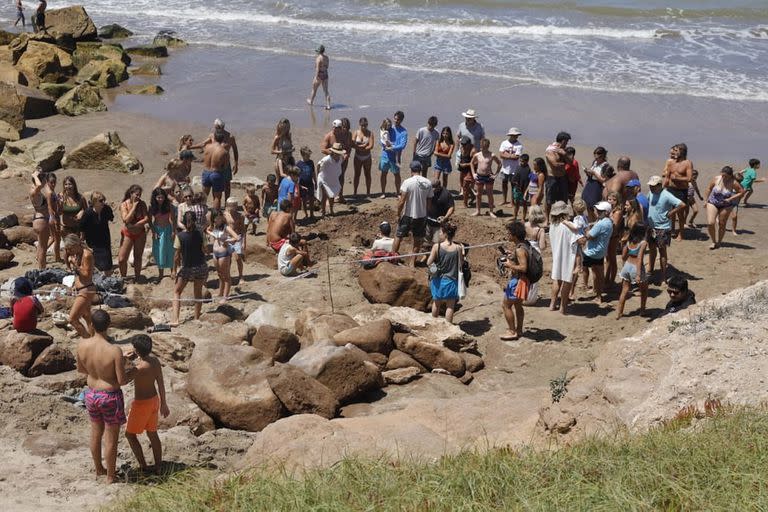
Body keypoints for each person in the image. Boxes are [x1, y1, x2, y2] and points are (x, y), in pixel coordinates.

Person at [76, 310, 132, 484]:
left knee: (95, 433)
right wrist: (133, 369)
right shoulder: (115, 350)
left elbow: (81, 370)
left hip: (91, 394)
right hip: (109, 396)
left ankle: (99, 469)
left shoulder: (82, 345)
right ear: (109, 325)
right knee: (111, 438)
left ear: (91, 325)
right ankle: (110, 476)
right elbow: (122, 381)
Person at [124, 334, 169, 474]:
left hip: (141, 404)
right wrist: (164, 403)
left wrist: (124, 359)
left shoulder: (139, 367)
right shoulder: (155, 361)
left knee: (130, 435)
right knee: (152, 433)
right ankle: (159, 466)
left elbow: (124, 380)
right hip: (154, 400)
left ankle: (143, 466)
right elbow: (160, 383)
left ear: (136, 350)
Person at [393, 161, 433, 266]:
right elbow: (429, 202)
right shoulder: (428, 183)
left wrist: (398, 214)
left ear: (411, 170)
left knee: (399, 235)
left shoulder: (407, 182)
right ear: (420, 170)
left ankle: (392, 258)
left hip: (408, 214)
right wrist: (426, 214)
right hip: (421, 215)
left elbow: (401, 201)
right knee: (417, 239)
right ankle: (412, 263)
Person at [646, 175, 686, 282]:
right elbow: (647, 204)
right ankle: (651, 271)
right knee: (652, 250)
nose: (651, 188)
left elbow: (682, 204)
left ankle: (663, 276)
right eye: (650, 186)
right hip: (651, 227)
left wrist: (671, 213)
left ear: (660, 185)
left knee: (662, 252)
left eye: (653, 186)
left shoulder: (667, 195)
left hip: (662, 228)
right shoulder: (650, 193)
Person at [172, 212, 208, 326]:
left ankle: (175, 319)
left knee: (177, 292)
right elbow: (205, 250)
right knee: (198, 293)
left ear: (183, 221)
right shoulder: (201, 234)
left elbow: (176, 256)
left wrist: (174, 270)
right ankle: (196, 318)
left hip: (187, 267)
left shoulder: (180, 236)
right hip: (200, 266)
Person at [191, 119, 239, 202]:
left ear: (222, 127)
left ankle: (227, 202)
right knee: (213, 188)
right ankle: (206, 204)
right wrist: (190, 147)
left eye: (217, 127)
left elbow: (235, 150)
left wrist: (236, 163)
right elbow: (203, 144)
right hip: (214, 166)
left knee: (227, 184)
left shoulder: (230, 137)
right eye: (215, 127)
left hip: (226, 164)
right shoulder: (212, 135)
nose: (215, 128)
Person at [548, 202, 581, 314]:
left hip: (557, 256)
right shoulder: (568, 227)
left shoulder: (552, 226)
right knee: (567, 282)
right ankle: (563, 307)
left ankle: (552, 304)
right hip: (568, 258)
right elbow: (577, 243)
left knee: (556, 280)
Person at [427, 222, 463, 323]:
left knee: (436, 304)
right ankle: (449, 327)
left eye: (440, 232)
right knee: (450, 306)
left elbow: (428, 262)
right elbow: (461, 263)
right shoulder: (458, 248)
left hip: (438, 280)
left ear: (445, 233)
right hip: (452, 281)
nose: (439, 234)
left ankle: (433, 324)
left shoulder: (436, 246)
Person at [578, 201, 613, 303]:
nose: (596, 212)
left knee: (587, 270)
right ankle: (597, 291)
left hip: (592, 252)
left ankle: (598, 296)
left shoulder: (601, 224)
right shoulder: (608, 222)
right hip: (600, 252)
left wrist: (585, 229)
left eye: (599, 211)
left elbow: (589, 236)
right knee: (598, 272)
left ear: (606, 212)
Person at [500, 221, 529, 341]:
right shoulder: (524, 245)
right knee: (518, 305)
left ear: (515, 235)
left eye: (509, 233)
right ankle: (519, 330)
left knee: (506, 305)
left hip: (517, 281)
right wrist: (512, 255)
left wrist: (509, 265)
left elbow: (523, 267)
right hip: (523, 281)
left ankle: (512, 331)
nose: (507, 234)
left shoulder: (520, 250)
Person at [63, 234, 95, 338]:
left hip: (86, 290)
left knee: (72, 319)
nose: (68, 251)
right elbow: (78, 274)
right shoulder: (77, 253)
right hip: (81, 289)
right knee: (87, 316)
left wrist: (75, 264)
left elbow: (86, 275)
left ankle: (87, 338)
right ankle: (93, 337)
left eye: (69, 248)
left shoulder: (87, 255)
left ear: (76, 245)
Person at [704, 166, 745, 249]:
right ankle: (713, 241)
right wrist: (705, 200)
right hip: (713, 202)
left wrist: (730, 198)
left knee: (722, 224)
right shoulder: (716, 178)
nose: (723, 177)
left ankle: (719, 242)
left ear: (730, 175)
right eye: (722, 175)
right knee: (710, 223)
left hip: (726, 205)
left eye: (725, 176)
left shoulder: (734, 182)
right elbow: (709, 188)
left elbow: (742, 192)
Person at [616, 223, 649, 319]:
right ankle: (642, 311)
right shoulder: (643, 243)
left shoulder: (629, 241)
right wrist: (638, 274)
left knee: (624, 290)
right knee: (644, 290)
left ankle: (619, 313)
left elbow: (623, 256)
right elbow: (639, 259)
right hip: (636, 267)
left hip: (627, 266)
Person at [662, 143, 693, 241]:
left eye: (676, 151)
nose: (673, 152)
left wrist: (678, 178)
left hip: (681, 191)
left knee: (680, 213)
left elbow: (689, 178)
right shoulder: (671, 163)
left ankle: (681, 234)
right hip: (670, 189)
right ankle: (672, 230)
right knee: (670, 211)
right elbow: (667, 177)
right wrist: (662, 189)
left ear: (682, 152)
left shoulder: (687, 163)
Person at [118, 185, 149, 281]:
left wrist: (135, 225)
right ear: (131, 194)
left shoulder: (142, 204)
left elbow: (146, 218)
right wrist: (134, 206)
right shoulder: (124, 204)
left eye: (140, 195)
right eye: (137, 195)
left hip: (140, 233)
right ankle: (123, 277)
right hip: (128, 233)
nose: (138, 197)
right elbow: (126, 219)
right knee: (122, 259)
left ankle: (138, 276)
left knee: (138, 256)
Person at [80, 191, 114, 274]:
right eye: (101, 201)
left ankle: (107, 281)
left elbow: (111, 218)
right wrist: (82, 239)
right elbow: (81, 227)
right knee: (95, 264)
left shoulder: (106, 209)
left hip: (104, 240)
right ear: (94, 202)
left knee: (107, 264)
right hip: (93, 242)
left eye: (104, 200)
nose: (103, 202)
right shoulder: (88, 213)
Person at [207, 210, 238, 302]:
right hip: (215, 252)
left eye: (218, 217)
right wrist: (212, 234)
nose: (217, 219)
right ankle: (220, 292)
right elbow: (207, 230)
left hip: (224, 253)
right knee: (220, 274)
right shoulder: (214, 225)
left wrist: (226, 240)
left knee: (226, 276)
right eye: (215, 218)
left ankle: (225, 296)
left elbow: (236, 237)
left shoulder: (226, 227)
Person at [29, 170, 56, 269]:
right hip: (41, 220)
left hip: (38, 219)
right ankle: (42, 269)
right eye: (45, 179)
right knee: (43, 249)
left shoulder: (35, 190)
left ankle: (41, 268)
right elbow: (40, 185)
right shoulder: (34, 191)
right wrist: (35, 175)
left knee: (41, 247)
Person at [544, 131, 572, 220]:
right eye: (566, 142)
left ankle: (561, 218)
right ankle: (547, 220)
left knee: (563, 200)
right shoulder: (550, 150)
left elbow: (570, 162)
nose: (567, 144)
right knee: (549, 200)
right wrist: (564, 162)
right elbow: (555, 164)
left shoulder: (563, 150)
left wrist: (564, 154)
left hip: (562, 178)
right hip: (552, 178)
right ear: (563, 141)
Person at [470, 138, 501, 217]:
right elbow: (471, 163)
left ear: (488, 146)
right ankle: (478, 211)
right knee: (478, 195)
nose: (483, 148)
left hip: (488, 176)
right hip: (479, 176)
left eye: (485, 146)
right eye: (482, 146)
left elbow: (499, 164)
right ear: (480, 146)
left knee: (490, 194)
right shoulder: (477, 155)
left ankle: (491, 211)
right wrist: (473, 174)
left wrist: (496, 174)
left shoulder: (492, 155)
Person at [149, 188, 174, 283]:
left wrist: (173, 231)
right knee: (158, 251)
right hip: (157, 230)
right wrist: (153, 231)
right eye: (158, 197)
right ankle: (161, 274)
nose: (160, 199)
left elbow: (173, 219)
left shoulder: (168, 206)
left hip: (168, 229)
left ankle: (173, 271)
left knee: (170, 250)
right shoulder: (152, 207)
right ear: (155, 198)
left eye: (162, 197)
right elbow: (149, 220)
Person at [731, 158, 763, 234]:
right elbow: (754, 180)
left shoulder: (748, 168)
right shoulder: (753, 172)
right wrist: (762, 180)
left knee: (751, 191)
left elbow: (742, 171)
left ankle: (745, 201)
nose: (759, 165)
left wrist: (739, 174)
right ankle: (738, 203)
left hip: (744, 183)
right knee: (741, 195)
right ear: (755, 165)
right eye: (758, 164)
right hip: (746, 185)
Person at [200, 130, 230, 210]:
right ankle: (215, 215)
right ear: (223, 139)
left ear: (214, 138)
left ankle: (200, 212)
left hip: (206, 172)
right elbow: (225, 166)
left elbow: (204, 158)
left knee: (204, 195)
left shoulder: (207, 147)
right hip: (216, 173)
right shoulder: (224, 151)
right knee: (217, 197)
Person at [581, 146, 613, 219]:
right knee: (587, 204)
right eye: (595, 156)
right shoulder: (595, 162)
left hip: (597, 186)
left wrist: (594, 173)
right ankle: (591, 220)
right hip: (590, 184)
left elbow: (604, 180)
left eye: (597, 157)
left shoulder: (605, 166)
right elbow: (592, 172)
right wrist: (588, 172)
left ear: (602, 156)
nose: (596, 159)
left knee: (595, 206)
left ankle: (595, 221)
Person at [315, 142, 345, 216]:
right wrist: (318, 174)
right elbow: (318, 165)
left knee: (332, 196)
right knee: (324, 196)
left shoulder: (341, 158)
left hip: (333, 179)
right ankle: (323, 212)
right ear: (333, 152)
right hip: (324, 179)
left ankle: (331, 210)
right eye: (336, 153)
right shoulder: (326, 159)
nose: (338, 154)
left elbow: (339, 165)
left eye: (339, 153)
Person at [424, 179, 455, 249]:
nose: (433, 189)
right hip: (427, 222)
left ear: (439, 186)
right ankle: (426, 256)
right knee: (425, 242)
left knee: (437, 243)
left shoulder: (446, 194)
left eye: (435, 187)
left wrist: (445, 217)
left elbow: (451, 208)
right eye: (432, 187)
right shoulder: (428, 191)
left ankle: (436, 257)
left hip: (439, 225)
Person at [498, 128, 523, 206]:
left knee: (513, 186)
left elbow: (516, 157)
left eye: (516, 135)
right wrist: (510, 155)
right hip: (504, 168)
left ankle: (512, 202)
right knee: (504, 184)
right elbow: (501, 155)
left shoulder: (519, 145)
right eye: (514, 135)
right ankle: (504, 200)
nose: (516, 137)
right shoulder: (504, 143)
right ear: (510, 135)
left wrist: (506, 154)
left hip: (514, 169)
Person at [604, 191, 625, 285]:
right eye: (609, 199)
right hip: (609, 236)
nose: (611, 201)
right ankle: (607, 279)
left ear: (617, 200)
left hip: (613, 237)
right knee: (608, 258)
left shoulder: (618, 211)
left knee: (612, 259)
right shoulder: (609, 209)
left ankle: (611, 281)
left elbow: (614, 225)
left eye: (614, 199)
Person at [224, 197, 246, 281]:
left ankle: (241, 276)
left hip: (237, 237)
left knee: (238, 258)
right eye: (230, 205)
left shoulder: (240, 216)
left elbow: (243, 229)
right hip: (228, 238)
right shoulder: (224, 215)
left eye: (234, 206)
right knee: (227, 259)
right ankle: (228, 276)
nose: (232, 207)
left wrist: (244, 242)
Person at [352, 118, 374, 197]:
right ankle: (355, 192)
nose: (364, 127)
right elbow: (352, 144)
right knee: (357, 174)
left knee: (367, 174)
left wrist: (362, 147)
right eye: (362, 125)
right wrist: (363, 146)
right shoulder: (356, 132)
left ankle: (368, 192)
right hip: (358, 157)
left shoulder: (370, 133)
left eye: (365, 125)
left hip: (367, 157)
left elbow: (371, 146)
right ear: (359, 125)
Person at [378, 118, 398, 198]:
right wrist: (390, 145)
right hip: (385, 155)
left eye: (390, 125)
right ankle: (383, 192)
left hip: (393, 156)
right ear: (384, 125)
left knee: (396, 174)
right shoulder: (383, 131)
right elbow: (384, 142)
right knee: (383, 174)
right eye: (388, 125)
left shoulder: (393, 130)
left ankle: (398, 192)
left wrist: (392, 145)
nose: (389, 126)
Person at [307, 44, 331, 110]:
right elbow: (327, 67)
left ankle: (311, 101)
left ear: (319, 51)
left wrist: (316, 76)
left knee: (314, 89)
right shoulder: (327, 57)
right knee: (326, 91)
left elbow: (317, 69)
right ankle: (328, 105)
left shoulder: (318, 58)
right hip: (325, 74)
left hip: (319, 75)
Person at [511, 154, 531, 221]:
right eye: (520, 161)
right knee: (516, 203)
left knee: (524, 204)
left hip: (524, 189)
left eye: (523, 161)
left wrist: (526, 190)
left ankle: (523, 218)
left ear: (527, 161)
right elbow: (514, 178)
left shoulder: (528, 169)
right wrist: (515, 183)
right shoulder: (518, 167)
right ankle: (515, 216)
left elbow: (529, 181)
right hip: (517, 188)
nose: (521, 163)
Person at [457, 136, 475, 208]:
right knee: (463, 185)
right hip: (462, 168)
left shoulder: (473, 151)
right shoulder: (461, 148)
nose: (463, 146)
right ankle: (473, 196)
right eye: (462, 144)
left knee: (465, 186)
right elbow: (460, 157)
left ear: (469, 144)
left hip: (470, 170)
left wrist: (466, 164)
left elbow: (475, 163)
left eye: (465, 144)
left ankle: (465, 204)